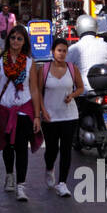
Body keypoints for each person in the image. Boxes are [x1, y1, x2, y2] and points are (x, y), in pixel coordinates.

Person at [0, 24, 42, 201]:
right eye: (13, 38)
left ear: (24, 41)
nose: (16, 41)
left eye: (19, 38)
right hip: (4, 108)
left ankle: (21, 186)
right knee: (7, 145)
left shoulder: (29, 63)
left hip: (24, 109)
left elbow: (34, 89)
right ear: (8, 40)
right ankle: (9, 174)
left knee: (21, 147)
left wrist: (36, 115)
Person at [38, 38, 85, 198]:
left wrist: (72, 95)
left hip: (69, 115)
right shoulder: (44, 69)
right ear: (53, 52)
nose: (62, 53)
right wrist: (42, 111)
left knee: (66, 149)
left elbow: (80, 87)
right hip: (50, 116)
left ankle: (62, 183)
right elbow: (37, 92)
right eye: (59, 50)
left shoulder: (72, 68)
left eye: (65, 51)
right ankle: (49, 167)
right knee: (52, 149)